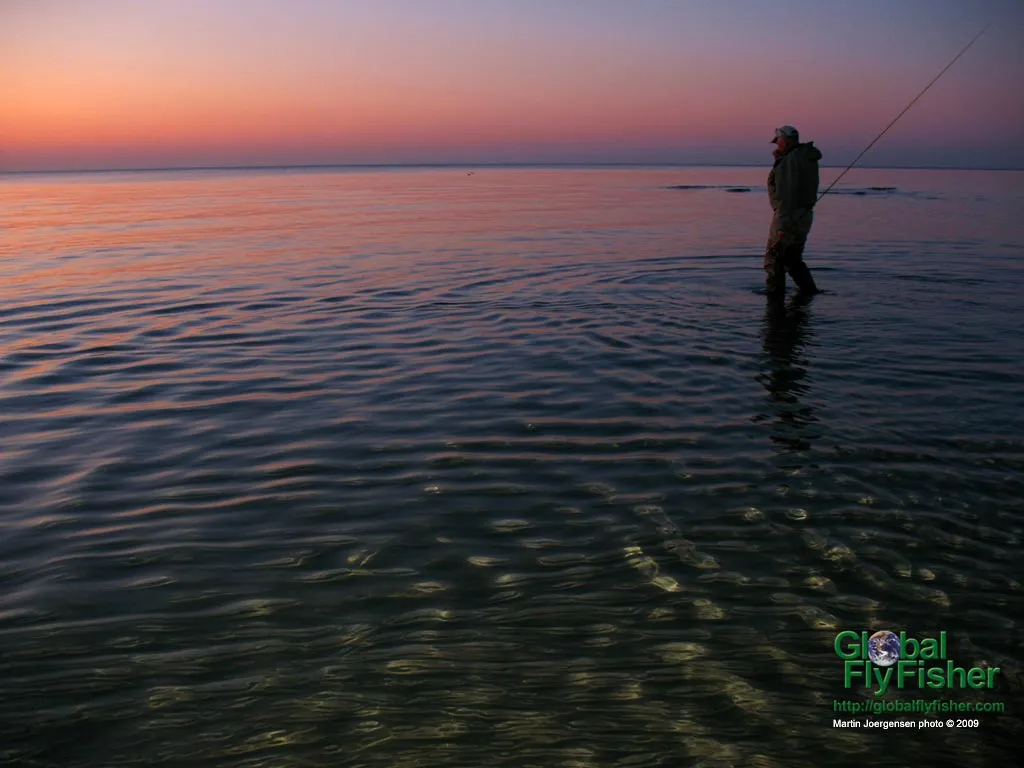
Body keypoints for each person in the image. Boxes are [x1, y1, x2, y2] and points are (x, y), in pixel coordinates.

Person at [764, 125, 822, 301]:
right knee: (792, 258)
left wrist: (782, 225)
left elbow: (787, 194)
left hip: (787, 216)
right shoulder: (805, 157)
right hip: (804, 217)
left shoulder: (790, 161)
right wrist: (780, 159)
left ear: (786, 141)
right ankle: (809, 293)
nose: (776, 146)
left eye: (779, 142)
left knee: (773, 258)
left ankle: (775, 303)